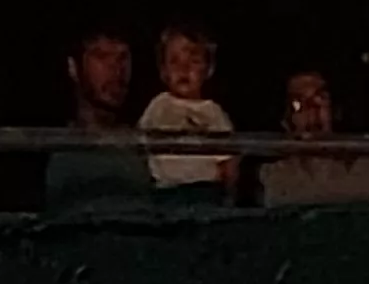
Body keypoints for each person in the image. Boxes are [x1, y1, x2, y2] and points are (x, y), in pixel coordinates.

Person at [254, 68, 369, 207]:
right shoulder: (272, 179)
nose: (311, 109)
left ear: (336, 111)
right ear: (285, 119)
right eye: (298, 103)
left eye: (320, 99)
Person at [36, 24, 155, 210]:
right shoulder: (50, 147)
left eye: (123, 58)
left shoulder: (146, 143)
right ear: (73, 68)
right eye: (101, 56)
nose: (116, 69)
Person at [136, 18, 235, 199]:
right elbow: (141, 150)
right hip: (166, 192)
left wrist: (229, 195)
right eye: (174, 62)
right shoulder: (158, 105)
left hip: (206, 191)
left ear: (208, 69)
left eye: (194, 61)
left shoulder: (213, 113)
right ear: (163, 71)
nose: (184, 69)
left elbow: (227, 162)